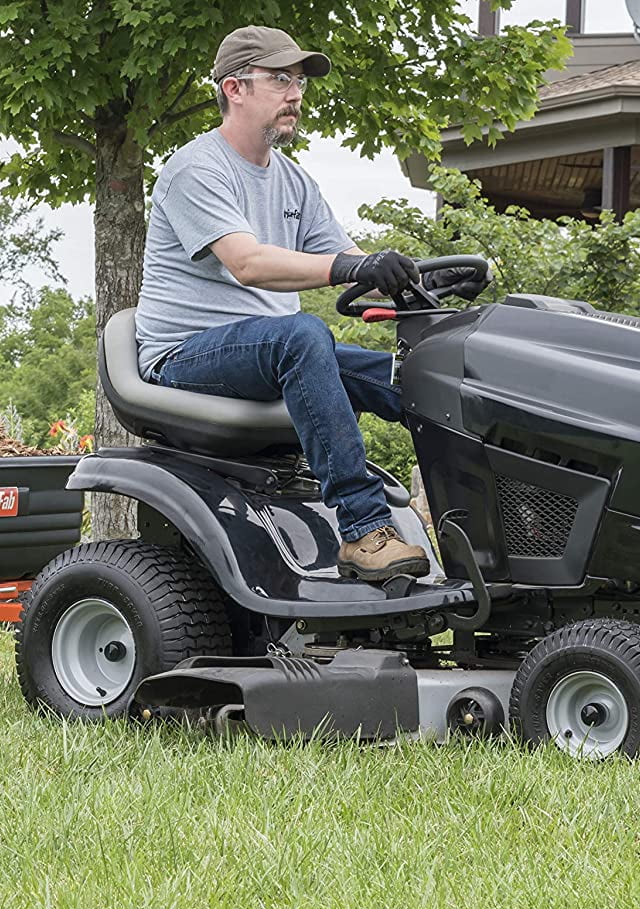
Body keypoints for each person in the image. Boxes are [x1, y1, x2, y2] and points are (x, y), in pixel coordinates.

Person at [134, 25, 489, 582]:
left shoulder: (294, 181)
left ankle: (493, 532)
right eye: (280, 79)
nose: (296, 93)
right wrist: (351, 268)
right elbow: (248, 263)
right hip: (184, 357)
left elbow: (354, 263)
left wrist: (419, 279)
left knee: (420, 377)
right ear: (234, 88)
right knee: (303, 335)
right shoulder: (195, 170)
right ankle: (363, 529)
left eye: (299, 81)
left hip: (271, 353)